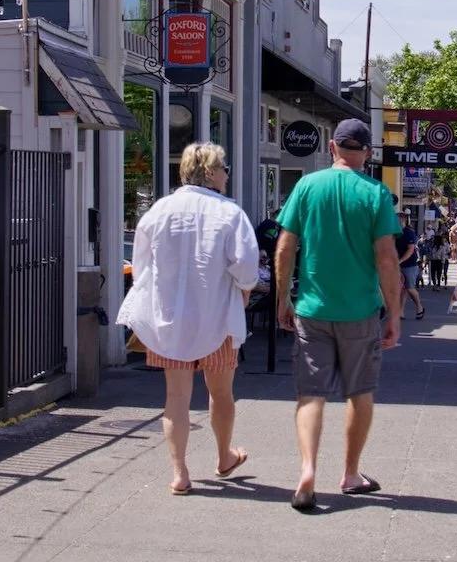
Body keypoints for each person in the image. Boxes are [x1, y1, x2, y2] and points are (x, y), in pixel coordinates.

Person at [116, 142, 260, 495]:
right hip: (218, 318)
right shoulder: (229, 213)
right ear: (211, 172)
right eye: (224, 167)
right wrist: (242, 292)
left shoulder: (159, 210)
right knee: (221, 393)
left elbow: (142, 267)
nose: (227, 174)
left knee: (176, 396)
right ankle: (224, 455)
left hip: (171, 319)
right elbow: (246, 268)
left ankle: (180, 472)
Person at [274, 118, 403, 512]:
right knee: (359, 393)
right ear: (366, 152)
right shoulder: (376, 194)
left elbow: (285, 247)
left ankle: (307, 470)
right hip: (360, 311)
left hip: (312, 309)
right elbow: (386, 258)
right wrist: (394, 313)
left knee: (310, 394)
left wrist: (282, 298)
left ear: (332, 147)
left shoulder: (307, 187)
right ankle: (350, 473)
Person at [395, 211, 426, 319]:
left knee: (409, 288)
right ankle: (400, 312)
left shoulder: (409, 232)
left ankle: (419, 307)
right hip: (396, 265)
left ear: (402, 220)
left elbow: (410, 249)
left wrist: (400, 261)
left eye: (396, 220)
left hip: (409, 265)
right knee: (400, 289)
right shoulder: (394, 233)